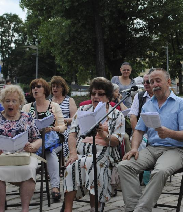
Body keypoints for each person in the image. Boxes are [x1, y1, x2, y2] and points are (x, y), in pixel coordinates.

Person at [117, 68, 183, 212]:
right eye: (152, 82)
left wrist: (170, 133)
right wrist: (134, 148)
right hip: (151, 148)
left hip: (175, 150)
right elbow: (139, 130)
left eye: (158, 80)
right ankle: (133, 207)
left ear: (168, 82)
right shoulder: (148, 104)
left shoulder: (181, 104)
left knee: (159, 171)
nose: (154, 84)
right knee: (124, 166)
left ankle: (142, 209)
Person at [64, 77, 125, 212]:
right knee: (71, 166)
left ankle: (95, 207)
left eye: (100, 94)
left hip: (105, 153)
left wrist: (103, 134)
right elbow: (72, 134)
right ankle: (67, 209)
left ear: (108, 97)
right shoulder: (82, 110)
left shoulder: (116, 114)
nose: (96, 96)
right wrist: (73, 153)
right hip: (81, 152)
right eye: (93, 93)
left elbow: (117, 141)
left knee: (93, 163)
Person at [22, 78, 66, 202]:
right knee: (44, 151)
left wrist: (52, 128)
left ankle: (55, 187)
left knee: (49, 151)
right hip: (33, 140)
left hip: (52, 140)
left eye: (38, 86)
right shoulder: (27, 107)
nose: (35, 89)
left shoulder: (54, 106)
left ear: (45, 90)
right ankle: (52, 187)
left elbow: (63, 127)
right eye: (33, 87)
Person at [0, 85, 42, 212]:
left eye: (14, 101)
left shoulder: (27, 117)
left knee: (29, 169)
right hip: (2, 156)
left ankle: (25, 210)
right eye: (7, 101)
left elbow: (38, 138)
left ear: (20, 102)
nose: (10, 104)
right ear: (2, 102)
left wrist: (33, 146)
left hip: (24, 155)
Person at [49, 76, 77, 157]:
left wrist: (62, 120)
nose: (55, 88)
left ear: (62, 88)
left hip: (66, 127)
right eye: (53, 86)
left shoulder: (69, 100)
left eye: (57, 86)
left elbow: (74, 119)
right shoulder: (49, 102)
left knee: (65, 136)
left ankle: (64, 158)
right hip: (53, 128)